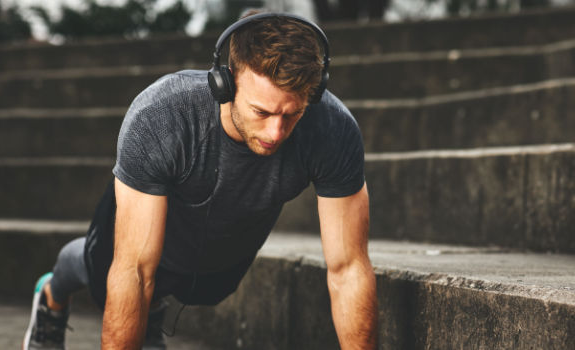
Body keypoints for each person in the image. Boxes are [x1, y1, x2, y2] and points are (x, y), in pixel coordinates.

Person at [23, 11, 377, 350]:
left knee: (209, 288)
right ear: (226, 83)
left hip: (220, 246)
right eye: (261, 112)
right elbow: (134, 270)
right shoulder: (162, 117)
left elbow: (348, 269)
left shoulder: (332, 129)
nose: (275, 132)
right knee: (104, 275)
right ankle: (52, 294)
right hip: (148, 219)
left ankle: (152, 309)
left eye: (292, 114)